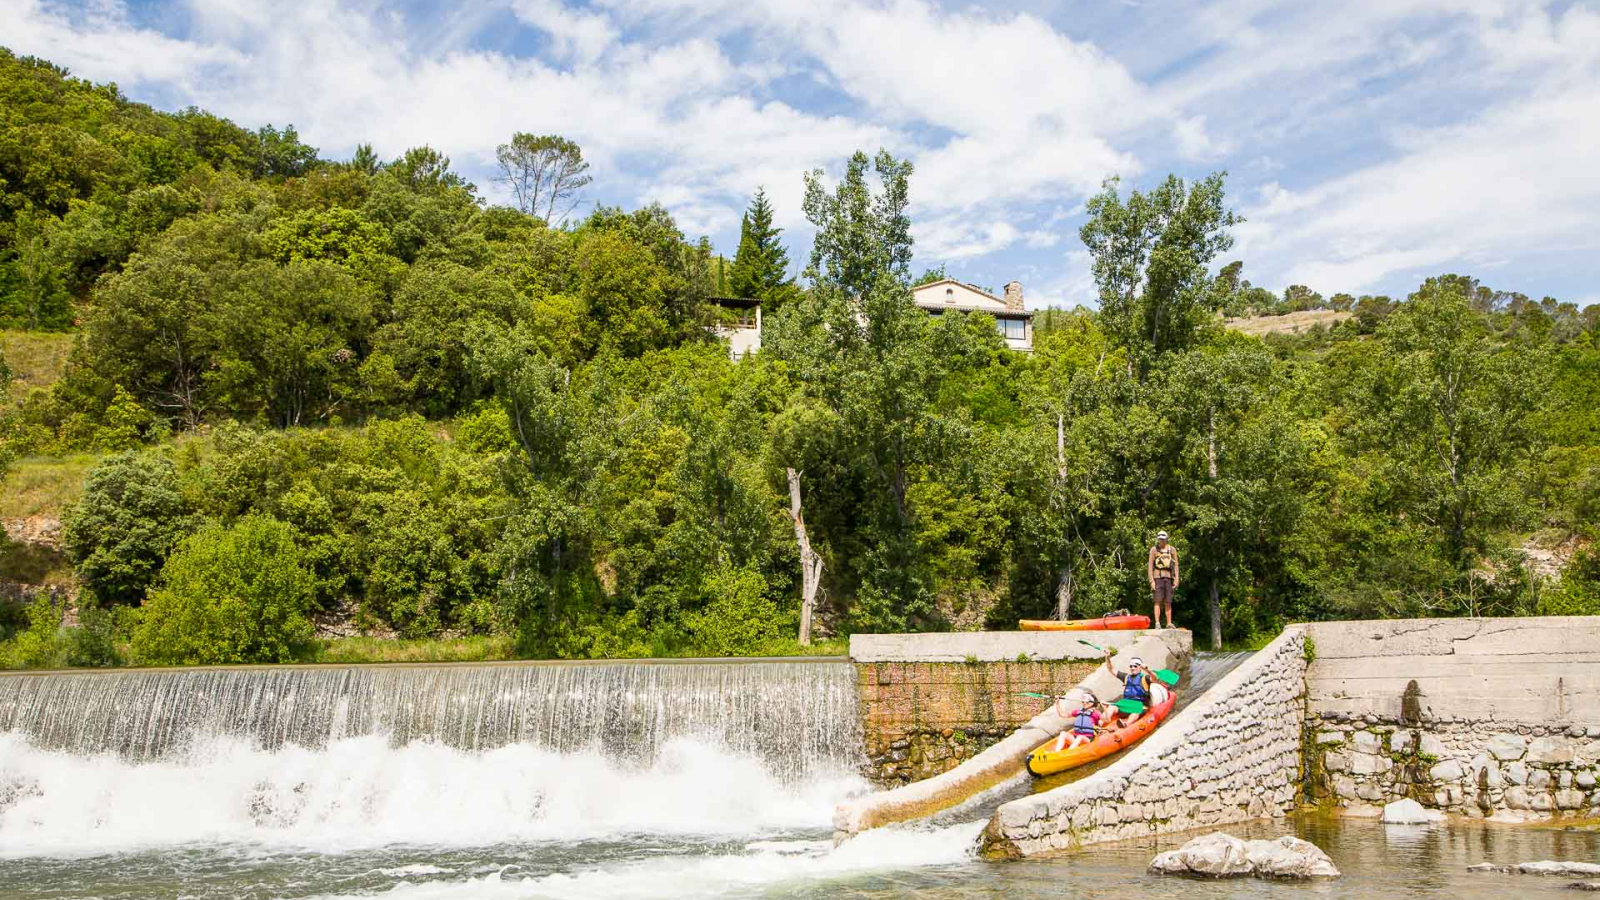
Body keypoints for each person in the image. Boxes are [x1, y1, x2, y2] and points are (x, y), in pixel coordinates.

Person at [1105, 648, 1154, 727]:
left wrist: (1148, 670)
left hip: (1139, 705)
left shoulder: (1145, 678)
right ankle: (1101, 724)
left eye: (1135, 666)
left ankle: (1126, 724)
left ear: (1140, 667)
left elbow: (1155, 679)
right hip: (1126, 705)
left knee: (1136, 711)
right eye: (1131, 666)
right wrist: (1107, 657)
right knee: (1111, 707)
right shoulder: (1126, 677)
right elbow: (1110, 669)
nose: (1132, 668)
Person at [1147, 530, 1179, 629]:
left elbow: (1176, 565)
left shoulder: (1172, 549)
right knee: (1157, 600)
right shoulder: (1154, 550)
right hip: (1157, 577)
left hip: (1169, 577)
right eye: (1160, 539)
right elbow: (1150, 565)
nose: (1161, 541)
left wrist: (1176, 578)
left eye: (1163, 539)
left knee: (1168, 601)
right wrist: (1151, 581)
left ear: (1166, 539)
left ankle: (1169, 623)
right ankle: (1157, 623)